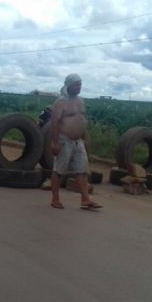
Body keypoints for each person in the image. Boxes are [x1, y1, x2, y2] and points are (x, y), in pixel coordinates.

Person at [49, 73, 102, 209]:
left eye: (80, 84)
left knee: (82, 170)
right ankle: (55, 199)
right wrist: (55, 142)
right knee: (59, 171)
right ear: (69, 86)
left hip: (78, 141)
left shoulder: (80, 101)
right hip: (64, 140)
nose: (79, 87)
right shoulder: (61, 102)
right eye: (76, 85)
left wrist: (85, 137)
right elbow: (55, 123)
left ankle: (85, 200)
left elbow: (82, 120)